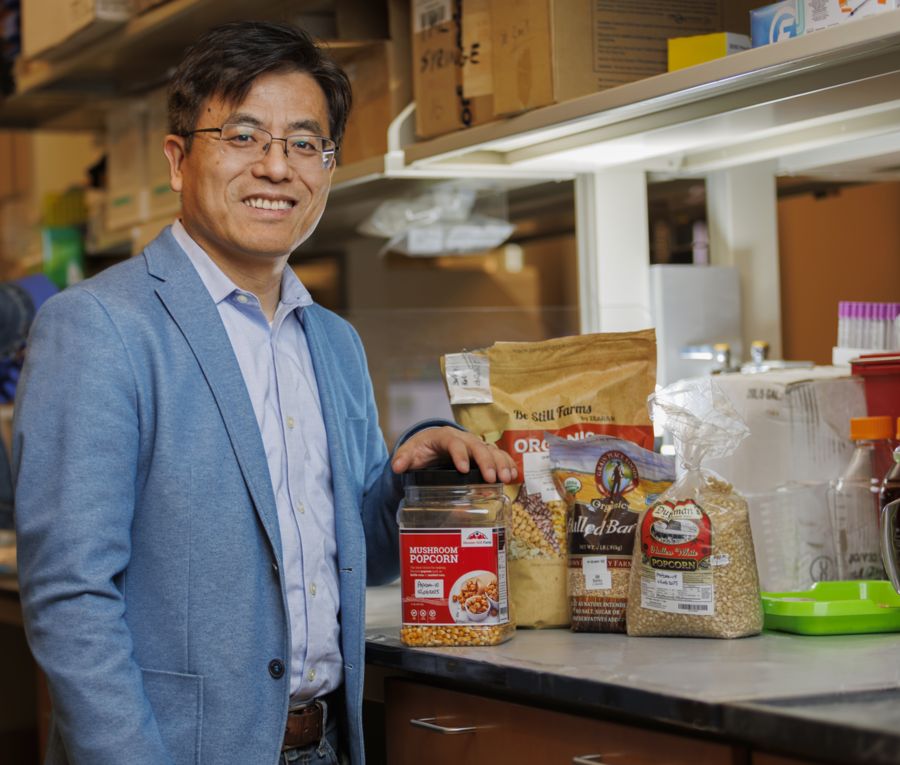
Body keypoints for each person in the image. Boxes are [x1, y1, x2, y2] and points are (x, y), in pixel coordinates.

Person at [13, 21, 516, 765]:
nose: (277, 166)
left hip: (325, 745)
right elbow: (70, 595)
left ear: (327, 167)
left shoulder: (334, 341)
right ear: (180, 159)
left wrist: (421, 473)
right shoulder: (98, 327)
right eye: (244, 136)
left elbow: (362, 556)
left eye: (304, 143)